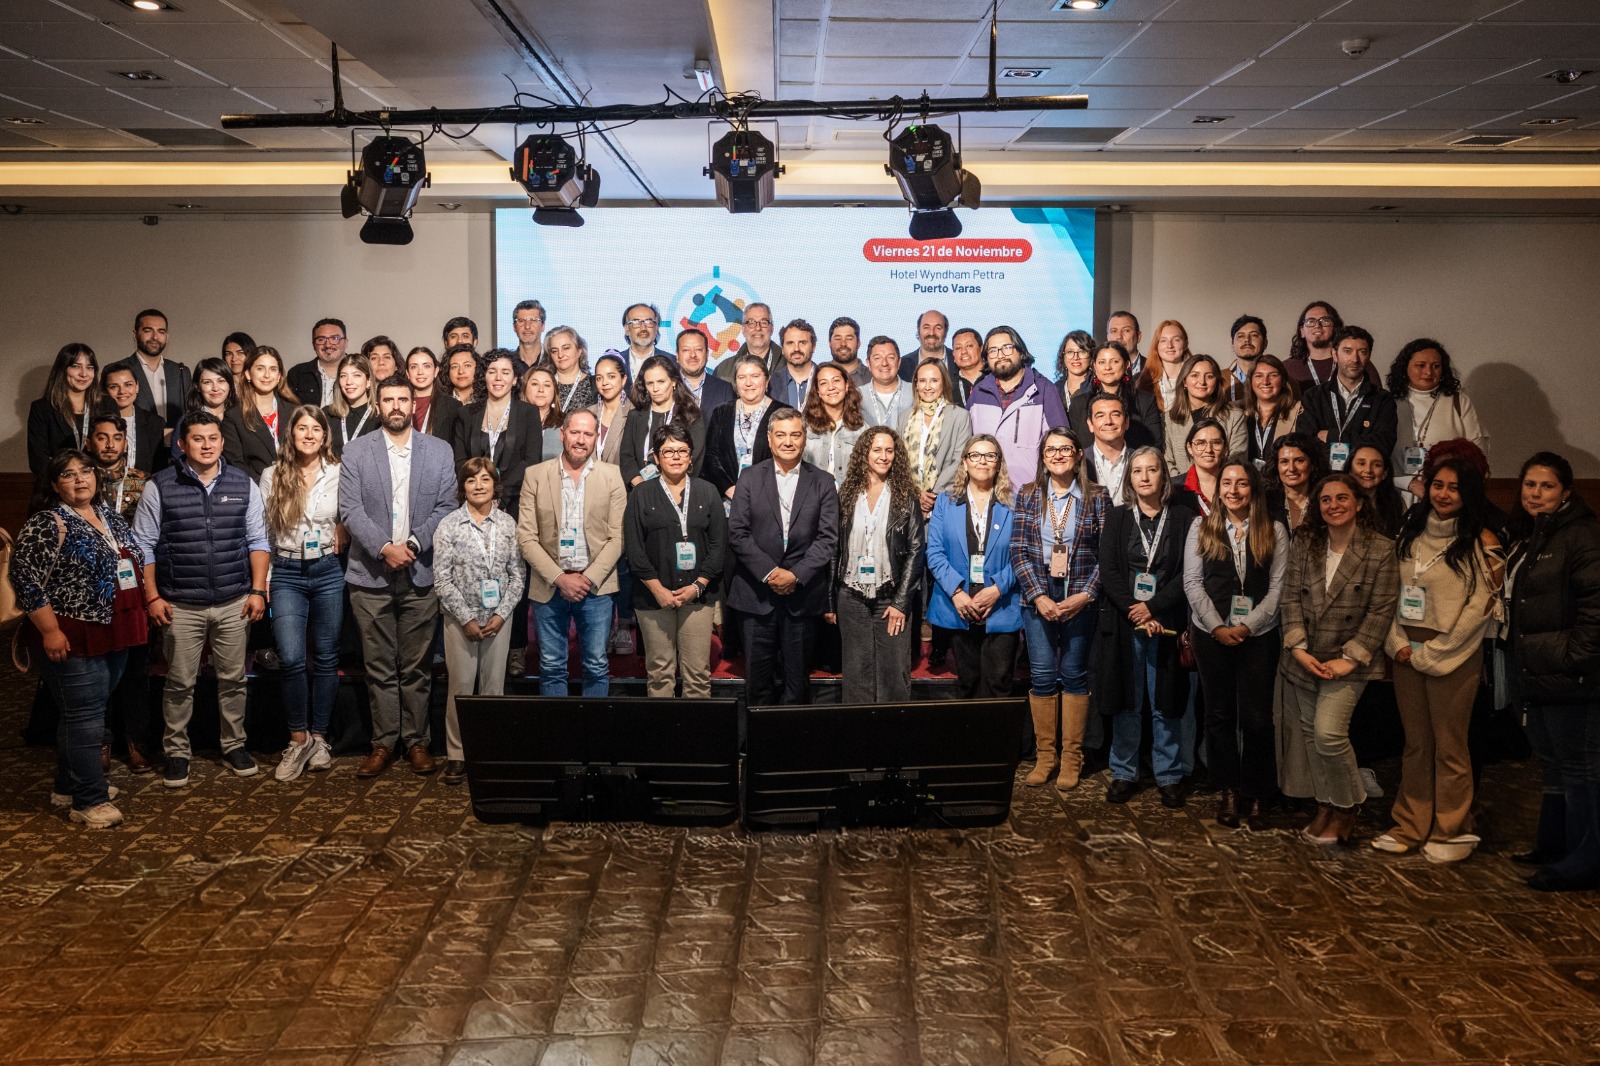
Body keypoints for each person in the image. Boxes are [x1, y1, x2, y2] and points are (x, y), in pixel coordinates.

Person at [131, 411, 271, 788]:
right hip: (179, 604)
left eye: (212, 438)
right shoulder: (159, 485)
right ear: (182, 444)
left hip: (234, 600)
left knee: (233, 680)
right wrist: (152, 596)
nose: (206, 445)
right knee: (179, 682)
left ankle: (234, 745)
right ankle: (177, 751)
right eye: (197, 439)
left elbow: (258, 540)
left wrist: (258, 590)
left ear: (222, 442)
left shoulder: (243, 483)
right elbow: (142, 545)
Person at [1374, 455, 1502, 863]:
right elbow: (1388, 591)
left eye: (1454, 487)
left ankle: (1451, 830)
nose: (1444, 494)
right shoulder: (1409, 530)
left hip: (1455, 652)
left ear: (1469, 494)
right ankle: (1410, 824)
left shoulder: (1481, 539)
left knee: (1450, 746)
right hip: (1406, 650)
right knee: (1416, 744)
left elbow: (1482, 606)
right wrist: (1396, 643)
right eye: (1437, 485)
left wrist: (1438, 652)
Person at [11, 451, 148, 826]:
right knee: (85, 717)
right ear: (55, 485)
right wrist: (50, 631)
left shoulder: (107, 515)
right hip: (70, 633)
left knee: (84, 712)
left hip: (114, 627)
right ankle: (88, 800)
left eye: (85, 471)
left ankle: (68, 785)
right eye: (68, 475)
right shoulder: (47, 522)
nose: (80, 479)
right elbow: (25, 580)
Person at [339, 375, 459, 778]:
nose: (395, 406)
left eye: (402, 399)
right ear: (378, 405)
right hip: (369, 573)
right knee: (378, 665)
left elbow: (447, 506)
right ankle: (383, 743)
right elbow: (350, 509)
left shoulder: (439, 451)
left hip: (420, 570)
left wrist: (412, 544)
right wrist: (384, 548)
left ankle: (417, 742)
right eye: (388, 399)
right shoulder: (356, 451)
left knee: (416, 667)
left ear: (413, 405)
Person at [1279, 473, 1399, 845]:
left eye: (1342, 498)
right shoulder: (1306, 542)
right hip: (1305, 658)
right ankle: (1325, 804)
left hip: (1348, 662)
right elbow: (1289, 598)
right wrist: (1298, 648)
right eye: (1326, 499)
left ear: (1359, 503)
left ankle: (1347, 807)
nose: (1334, 505)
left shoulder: (1381, 549)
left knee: (1329, 735)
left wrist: (1351, 659)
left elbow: (1381, 611)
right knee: (1311, 738)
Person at [1500, 453, 1600, 889]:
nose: (1536, 494)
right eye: (1529, 485)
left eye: (1547, 486)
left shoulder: (1582, 535)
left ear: (1567, 492)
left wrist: (1574, 659)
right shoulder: (1530, 534)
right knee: (1553, 762)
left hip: (1568, 672)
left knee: (1579, 766)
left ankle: (1586, 859)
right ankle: (1555, 845)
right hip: (1534, 668)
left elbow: (1595, 609)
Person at [1183, 459, 1289, 828]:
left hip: (1258, 636)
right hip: (1210, 635)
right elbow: (1192, 583)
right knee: (1219, 715)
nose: (1233, 490)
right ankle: (1228, 789)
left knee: (1257, 719)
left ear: (1253, 488)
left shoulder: (1274, 529)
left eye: (1241, 483)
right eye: (1226, 483)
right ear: (1218, 490)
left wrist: (1247, 625)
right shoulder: (1201, 527)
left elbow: (1278, 588)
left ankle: (1257, 793)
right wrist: (1217, 627)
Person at [1096, 446, 1198, 808]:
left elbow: (1188, 573)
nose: (1144, 476)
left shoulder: (1185, 517)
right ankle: (1124, 772)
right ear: (1129, 478)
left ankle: (1168, 774)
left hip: (1167, 622)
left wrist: (1153, 608)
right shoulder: (1118, 517)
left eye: (1152, 469)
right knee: (1127, 698)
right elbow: (1108, 570)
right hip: (1126, 622)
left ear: (1163, 475)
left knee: (1166, 701)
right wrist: (1135, 610)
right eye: (1137, 470)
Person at [727, 406, 840, 706]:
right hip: (755, 597)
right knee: (757, 684)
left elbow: (827, 538)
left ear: (804, 438)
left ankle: (793, 737)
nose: (788, 441)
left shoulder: (823, 481)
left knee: (797, 685)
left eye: (795, 435)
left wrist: (795, 575)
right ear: (769, 438)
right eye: (781, 435)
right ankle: (758, 737)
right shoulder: (749, 477)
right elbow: (737, 533)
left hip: (802, 598)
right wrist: (770, 573)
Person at [1013, 428, 1106, 791]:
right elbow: (1018, 550)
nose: (1057, 455)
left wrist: (1087, 595)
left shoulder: (1098, 497)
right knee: (1041, 675)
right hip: (1038, 595)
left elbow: (1106, 554)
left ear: (1079, 454)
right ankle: (1045, 757)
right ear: (1043, 457)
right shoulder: (1028, 494)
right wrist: (1038, 596)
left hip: (1080, 596)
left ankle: (1071, 758)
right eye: (1050, 450)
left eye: (1065, 449)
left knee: (1074, 674)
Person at [259, 406, 345, 783]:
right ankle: (298, 740)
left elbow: (350, 514)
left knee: (326, 657)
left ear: (325, 436)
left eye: (316, 429)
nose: (309, 435)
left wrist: (344, 528)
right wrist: (263, 578)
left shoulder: (340, 472)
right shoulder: (272, 474)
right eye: (302, 428)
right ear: (291, 433)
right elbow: (262, 531)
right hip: (287, 571)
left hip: (327, 570)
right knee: (292, 658)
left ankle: (319, 739)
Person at [517, 409, 628, 697]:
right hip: (549, 586)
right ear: (562, 434)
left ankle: (590, 728)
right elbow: (526, 538)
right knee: (551, 666)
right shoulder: (535, 475)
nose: (580, 440)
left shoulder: (612, 476)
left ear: (596, 437)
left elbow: (618, 538)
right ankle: (560, 729)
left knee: (596, 666)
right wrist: (560, 578)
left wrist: (587, 579)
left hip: (596, 589)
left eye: (588, 434)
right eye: (575, 432)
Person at [434, 457, 526, 786]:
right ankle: (457, 754)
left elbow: (518, 576)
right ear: (463, 487)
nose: (478, 486)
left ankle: (490, 751)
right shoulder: (449, 525)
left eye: (485, 479)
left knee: (493, 690)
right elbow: (442, 580)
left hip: (499, 619)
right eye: (471, 480)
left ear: (495, 485)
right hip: (461, 622)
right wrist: (466, 618)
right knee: (460, 689)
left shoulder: (509, 525)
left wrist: (501, 614)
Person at [624, 423, 726, 699]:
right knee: (659, 673)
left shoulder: (708, 492)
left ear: (691, 456)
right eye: (668, 451)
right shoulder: (640, 494)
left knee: (698, 674)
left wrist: (698, 586)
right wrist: (657, 589)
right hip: (652, 597)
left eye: (682, 450)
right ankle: (664, 729)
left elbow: (718, 546)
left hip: (698, 596)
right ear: (656, 458)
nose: (676, 457)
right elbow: (634, 549)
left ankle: (694, 728)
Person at [825, 429, 923, 704]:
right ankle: (860, 732)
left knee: (894, 678)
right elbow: (834, 549)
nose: (883, 456)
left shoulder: (906, 495)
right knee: (856, 676)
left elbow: (916, 550)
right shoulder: (846, 493)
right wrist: (830, 600)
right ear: (864, 454)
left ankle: (893, 732)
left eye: (889, 451)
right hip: (851, 597)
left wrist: (901, 603)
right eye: (877, 450)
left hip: (891, 598)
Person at [926, 435, 1020, 699]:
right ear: (965, 462)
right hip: (959, 605)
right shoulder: (945, 502)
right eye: (975, 455)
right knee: (967, 683)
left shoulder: (1015, 504)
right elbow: (934, 552)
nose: (982, 461)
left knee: (998, 683)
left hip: (1001, 604)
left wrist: (997, 589)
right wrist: (957, 593)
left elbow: (1022, 554)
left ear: (998, 464)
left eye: (990, 455)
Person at [968, 326, 1072, 486]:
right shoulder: (978, 393)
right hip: (987, 491)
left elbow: (1062, 443)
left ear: (1021, 352)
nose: (1000, 355)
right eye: (993, 351)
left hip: (1031, 491)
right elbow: (967, 444)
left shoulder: (1043, 389)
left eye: (1007, 348)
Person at [1386, 338, 1488, 500]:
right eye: (1421, 365)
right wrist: (1408, 483)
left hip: (1446, 494)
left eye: (1436, 366)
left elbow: (1478, 455)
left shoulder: (1458, 401)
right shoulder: (1387, 402)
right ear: (1405, 367)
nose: (1428, 372)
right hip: (1396, 494)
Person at [452, 348, 543, 517]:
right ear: (484, 376)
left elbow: (531, 461)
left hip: (515, 502)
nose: (498, 378)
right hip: (473, 501)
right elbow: (460, 461)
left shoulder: (529, 413)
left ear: (514, 379)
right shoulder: (466, 414)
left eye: (505, 372)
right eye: (492, 371)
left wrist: (500, 494)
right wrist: (480, 491)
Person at [1296, 325, 1398, 473]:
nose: (1355, 359)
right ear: (1334, 354)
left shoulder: (1382, 399)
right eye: (1347, 351)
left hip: (1363, 479)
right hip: (1323, 478)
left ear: (1369, 356)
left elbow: (1383, 445)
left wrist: (1333, 436)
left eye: (1362, 352)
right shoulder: (1314, 396)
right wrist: (1360, 442)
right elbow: (1305, 444)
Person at [900, 359, 971, 520]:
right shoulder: (904, 417)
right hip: (909, 502)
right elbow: (899, 461)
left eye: (934, 381)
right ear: (916, 384)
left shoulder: (960, 416)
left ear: (943, 383)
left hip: (944, 500)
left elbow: (959, 461)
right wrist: (916, 494)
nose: (927, 387)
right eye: (922, 381)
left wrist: (931, 496)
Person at [620, 354, 706, 486]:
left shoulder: (691, 416)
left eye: (661, 382)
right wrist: (640, 485)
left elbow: (694, 457)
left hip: (678, 489)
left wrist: (664, 488)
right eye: (650, 383)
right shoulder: (635, 416)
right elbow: (627, 456)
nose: (655, 389)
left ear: (673, 382)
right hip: (640, 489)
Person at [1067, 341, 1162, 455]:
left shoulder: (1145, 401)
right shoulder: (1079, 404)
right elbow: (1074, 446)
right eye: (1102, 362)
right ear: (1094, 366)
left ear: (1127, 365)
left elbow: (1155, 446)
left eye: (1115, 361)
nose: (1107, 367)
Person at [704, 352, 776, 501]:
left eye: (755, 376)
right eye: (742, 377)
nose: (748, 383)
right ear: (736, 382)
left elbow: (788, 458)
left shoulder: (782, 413)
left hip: (768, 498)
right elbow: (710, 456)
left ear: (767, 380)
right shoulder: (721, 411)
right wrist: (729, 489)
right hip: (728, 500)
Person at [29, 343, 103, 484]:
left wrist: (91, 482)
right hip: (56, 486)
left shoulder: (106, 405)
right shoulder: (42, 408)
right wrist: (65, 483)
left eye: (89, 367)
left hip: (97, 485)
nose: (84, 374)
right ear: (62, 369)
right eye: (76, 366)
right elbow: (38, 460)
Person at [111, 308, 190, 441]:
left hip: (174, 446)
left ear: (167, 337)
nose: (155, 337)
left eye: (161, 331)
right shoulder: (118, 370)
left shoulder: (180, 371)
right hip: (135, 445)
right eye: (148, 331)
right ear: (134, 334)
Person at [223, 345, 299, 482]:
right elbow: (236, 463)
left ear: (279, 376)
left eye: (273, 369)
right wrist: (265, 486)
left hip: (296, 485)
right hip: (256, 488)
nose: (267, 375)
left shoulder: (295, 412)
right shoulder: (234, 417)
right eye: (260, 368)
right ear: (248, 374)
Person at [1162, 354, 1244, 477]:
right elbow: (1166, 462)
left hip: (1222, 485)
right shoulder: (1168, 419)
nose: (1202, 382)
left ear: (1217, 382)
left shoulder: (1234, 416)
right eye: (1195, 375)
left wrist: (1214, 484)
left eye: (1209, 376)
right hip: (1181, 487)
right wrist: (1185, 485)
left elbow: (1237, 459)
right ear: (1184, 381)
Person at [802, 362, 866, 487]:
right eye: (823, 383)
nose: (831, 387)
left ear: (846, 385)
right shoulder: (804, 425)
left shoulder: (861, 428)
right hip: (812, 493)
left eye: (836, 380)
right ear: (818, 391)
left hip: (848, 495)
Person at [101, 362, 167, 474]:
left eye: (128, 385)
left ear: (137, 387)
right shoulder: (97, 421)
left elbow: (160, 466)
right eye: (114, 387)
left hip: (146, 483)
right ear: (104, 391)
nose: (122, 391)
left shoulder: (155, 423)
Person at [1243, 354, 1301, 469]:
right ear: (1250, 381)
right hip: (1247, 478)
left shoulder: (1298, 411)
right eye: (1258, 376)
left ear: (1283, 380)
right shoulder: (1238, 411)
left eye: (1273, 375)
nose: (1265, 382)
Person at [89, 414, 149, 526]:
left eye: (117, 438)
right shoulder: (80, 481)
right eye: (102, 438)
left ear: (125, 445)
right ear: (88, 444)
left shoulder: (145, 481)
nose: (110, 445)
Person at [1265, 432, 1328, 532]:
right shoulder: (1264, 501)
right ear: (1276, 466)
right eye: (1284, 461)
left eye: (1299, 460)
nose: (1291, 468)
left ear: (1312, 464)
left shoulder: (1325, 501)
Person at [1081, 394, 1135, 503]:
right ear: (1090, 424)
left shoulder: (1140, 459)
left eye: (1115, 415)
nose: (1108, 421)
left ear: (1127, 422)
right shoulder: (1079, 461)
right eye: (1100, 416)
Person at [1171, 417, 1228, 517]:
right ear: (1190, 448)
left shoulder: (1237, 486)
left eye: (1216, 443)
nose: (1208, 450)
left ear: (1225, 448)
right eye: (1201, 443)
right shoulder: (1173, 488)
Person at [324, 352, 379, 458]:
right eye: (343, 376)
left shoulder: (378, 416)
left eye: (356, 375)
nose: (349, 382)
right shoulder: (327, 414)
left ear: (368, 381)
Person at [287, 318, 348, 408]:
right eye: (321, 339)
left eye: (335, 338)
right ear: (313, 344)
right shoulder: (297, 374)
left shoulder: (361, 371)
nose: (328, 345)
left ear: (346, 343)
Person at [1350, 445, 1408, 537]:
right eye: (1361, 464)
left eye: (1376, 465)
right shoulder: (1339, 500)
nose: (1368, 470)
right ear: (1350, 470)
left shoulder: (1396, 502)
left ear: (1384, 473)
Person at [675, 327, 734, 418]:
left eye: (699, 349)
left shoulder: (724, 389)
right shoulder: (666, 386)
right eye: (686, 350)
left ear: (707, 354)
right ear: (677, 356)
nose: (693, 355)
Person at [1284, 300, 1342, 390]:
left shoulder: (1352, 363)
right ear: (1302, 331)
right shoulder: (1287, 368)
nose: (1317, 325)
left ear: (1335, 328)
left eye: (1325, 321)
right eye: (1310, 322)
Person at [1137, 319, 1192, 413]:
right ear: (1156, 346)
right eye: (1163, 341)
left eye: (1176, 340)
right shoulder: (1144, 381)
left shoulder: (1197, 379)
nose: (1170, 345)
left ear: (1186, 344)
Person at [544, 324, 599, 415]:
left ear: (579, 351)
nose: (560, 355)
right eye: (554, 351)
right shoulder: (544, 385)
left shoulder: (595, 385)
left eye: (566, 348)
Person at [861, 337, 915, 429]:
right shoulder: (856, 396)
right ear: (868, 363)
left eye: (890, 358)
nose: (884, 363)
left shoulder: (915, 393)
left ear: (899, 362)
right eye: (877, 358)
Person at [715, 302, 776, 383]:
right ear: (743, 329)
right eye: (751, 322)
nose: (758, 328)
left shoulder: (788, 366)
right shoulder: (723, 370)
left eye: (763, 322)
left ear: (772, 329)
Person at [588, 353, 630, 467]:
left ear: (623, 379)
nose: (604, 383)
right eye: (599, 378)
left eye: (611, 376)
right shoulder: (588, 413)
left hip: (620, 478)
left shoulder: (634, 414)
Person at [407, 346, 456, 440]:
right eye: (414, 367)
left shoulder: (452, 406)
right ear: (408, 374)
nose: (420, 372)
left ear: (436, 371)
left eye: (426, 366)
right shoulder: (398, 403)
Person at [768, 319, 819, 410]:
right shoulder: (771, 383)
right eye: (790, 343)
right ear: (782, 349)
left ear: (814, 347)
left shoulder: (825, 379)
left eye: (802, 343)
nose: (796, 349)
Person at [618, 303, 673, 383]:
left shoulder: (673, 362)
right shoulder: (615, 361)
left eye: (649, 322)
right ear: (627, 329)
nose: (643, 328)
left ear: (657, 328)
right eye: (636, 322)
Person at [521, 365, 565, 461]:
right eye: (535, 384)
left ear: (554, 391)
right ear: (524, 388)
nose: (541, 390)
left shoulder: (565, 422)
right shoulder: (513, 420)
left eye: (547, 385)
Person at [1222, 315, 1268, 403]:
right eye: (1240, 336)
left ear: (1265, 343)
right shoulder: (1218, 380)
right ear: (1232, 344)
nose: (1247, 340)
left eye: (1254, 335)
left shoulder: (1280, 380)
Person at [902, 309, 952, 381]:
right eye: (926, 327)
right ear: (919, 330)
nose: (931, 333)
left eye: (938, 328)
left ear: (945, 332)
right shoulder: (903, 365)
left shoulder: (958, 362)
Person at [1055, 330, 1096, 409]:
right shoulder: (1055, 389)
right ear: (1063, 356)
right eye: (1070, 352)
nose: (1076, 357)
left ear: (1091, 356)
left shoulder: (1097, 388)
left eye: (1082, 352)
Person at [826, 316, 871, 387]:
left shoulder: (873, 377)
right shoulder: (818, 375)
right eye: (838, 339)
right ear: (829, 343)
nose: (843, 344)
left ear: (858, 343)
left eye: (849, 338)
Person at [949, 326, 986, 407]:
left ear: (981, 349)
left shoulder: (996, 378)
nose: (964, 351)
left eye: (969, 346)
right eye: (958, 348)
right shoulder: (948, 386)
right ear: (953, 354)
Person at [1105, 311, 1144, 379]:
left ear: (1138, 336)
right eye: (1114, 331)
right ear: (1107, 337)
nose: (1119, 336)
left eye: (1126, 330)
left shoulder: (1154, 368)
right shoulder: (1098, 371)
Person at [444, 343, 484, 408]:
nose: (461, 371)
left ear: (478, 368)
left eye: (467, 365)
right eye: (455, 367)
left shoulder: (487, 400)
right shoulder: (440, 401)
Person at [512, 298, 547, 369]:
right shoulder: (508, 363)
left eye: (533, 320)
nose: (527, 326)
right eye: (521, 321)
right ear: (514, 327)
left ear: (543, 326)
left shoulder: (554, 361)